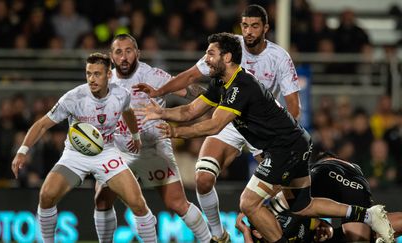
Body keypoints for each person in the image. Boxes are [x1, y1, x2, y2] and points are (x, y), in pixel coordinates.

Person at [136, 32, 395, 243]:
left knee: (248, 203)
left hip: (284, 148)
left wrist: (175, 131)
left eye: (210, 53)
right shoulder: (220, 83)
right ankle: (368, 215)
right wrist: (162, 112)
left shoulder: (241, 85)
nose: (206, 58)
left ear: (226, 57)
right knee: (302, 206)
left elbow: (213, 126)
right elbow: (192, 110)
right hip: (295, 143)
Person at [134, 5, 300, 241]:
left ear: (266, 28)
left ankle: (310, 228)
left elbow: (293, 106)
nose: (249, 31)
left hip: (263, 127)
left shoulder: (278, 57)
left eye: (254, 26)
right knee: (203, 178)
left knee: (292, 193)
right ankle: (218, 236)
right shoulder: (226, 49)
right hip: (230, 120)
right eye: (245, 25)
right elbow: (191, 80)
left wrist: (285, 138)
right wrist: (160, 96)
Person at [11, 53, 158, 243]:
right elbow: (41, 125)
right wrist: (22, 151)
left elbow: (128, 112)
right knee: (46, 195)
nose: (91, 79)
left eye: (97, 74)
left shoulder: (121, 95)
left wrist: (135, 136)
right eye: (88, 74)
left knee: (138, 203)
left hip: (106, 153)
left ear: (109, 75)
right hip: (75, 154)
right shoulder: (74, 98)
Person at [92, 34, 212, 242]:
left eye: (129, 51)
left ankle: (210, 239)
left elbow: (190, 92)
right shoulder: (104, 80)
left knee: (177, 203)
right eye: (118, 52)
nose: (124, 57)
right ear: (111, 57)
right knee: (102, 200)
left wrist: (217, 96)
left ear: (137, 53)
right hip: (119, 149)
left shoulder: (154, 75)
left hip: (152, 147)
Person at [236, 151, 402, 242]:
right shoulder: (291, 220)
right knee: (371, 233)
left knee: (358, 237)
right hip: (342, 175)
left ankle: (367, 216)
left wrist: (245, 231)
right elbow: (321, 224)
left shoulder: (274, 219)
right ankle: (369, 219)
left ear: (257, 232)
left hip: (325, 173)